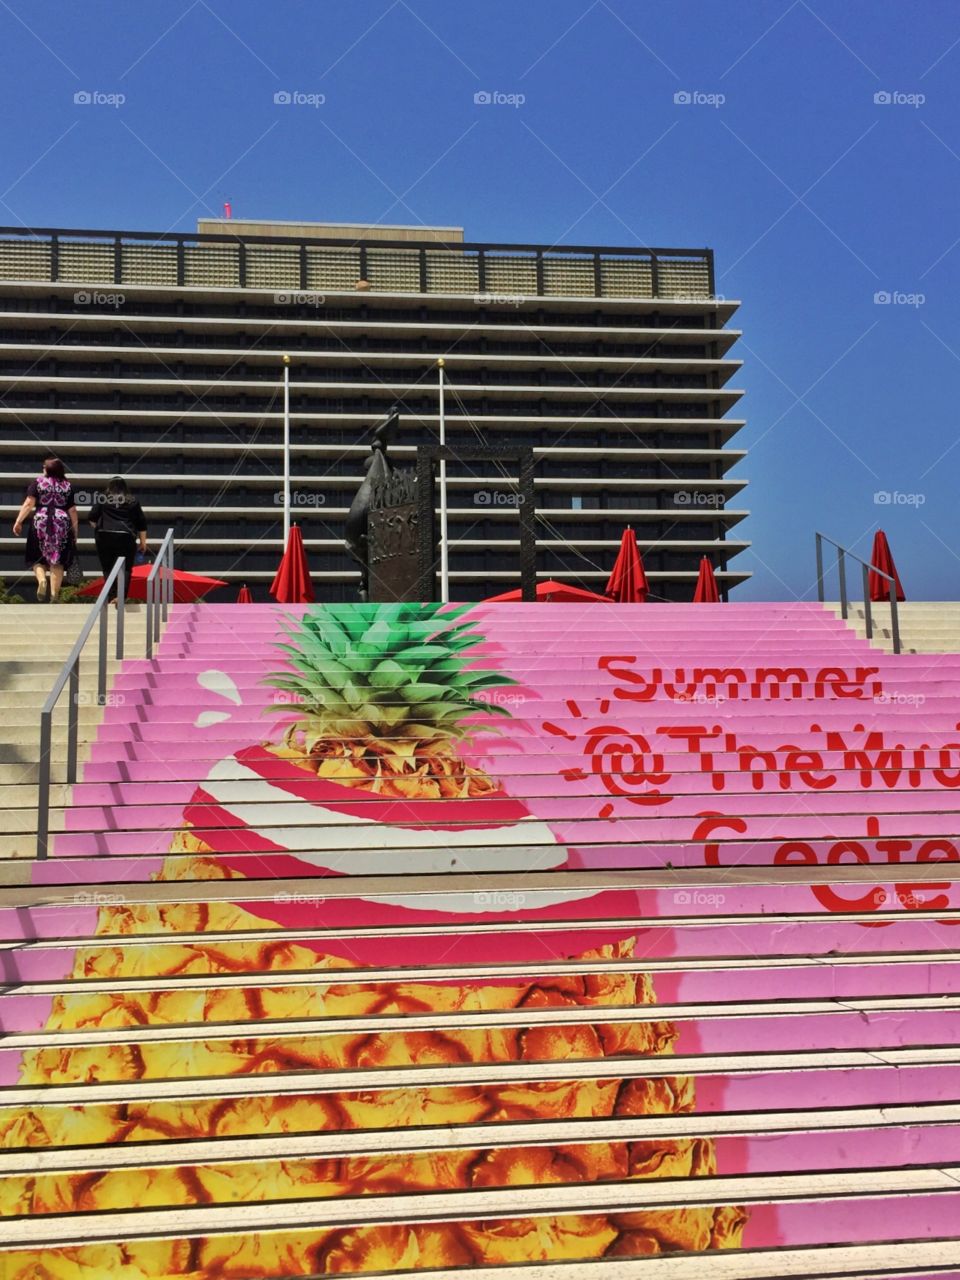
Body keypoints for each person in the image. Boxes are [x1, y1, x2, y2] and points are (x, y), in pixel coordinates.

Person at [12, 456, 78, 602]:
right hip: (61, 523)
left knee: (36, 557)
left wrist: (18, 521)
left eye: (44, 466)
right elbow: (72, 510)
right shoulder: (67, 486)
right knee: (57, 560)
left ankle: (42, 580)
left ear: (48, 469)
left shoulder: (38, 483)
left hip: (40, 522)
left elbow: (29, 503)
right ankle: (54, 594)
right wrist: (75, 531)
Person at [88, 477, 147, 602]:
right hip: (126, 536)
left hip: (104, 536)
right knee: (125, 568)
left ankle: (111, 595)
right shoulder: (132, 500)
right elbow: (141, 523)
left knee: (107, 567)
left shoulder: (103, 499)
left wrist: (99, 527)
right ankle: (120, 596)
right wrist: (143, 542)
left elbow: (92, 517)